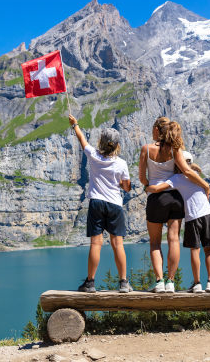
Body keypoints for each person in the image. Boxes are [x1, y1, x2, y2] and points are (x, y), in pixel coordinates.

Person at [149, 127, 210, 293]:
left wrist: (148, 187)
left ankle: (197, 283)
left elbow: (158, 188)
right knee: (208, 248)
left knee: (195, 250)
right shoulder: (198, 177)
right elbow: (192, 171)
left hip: (191, 217)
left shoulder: (176, 178)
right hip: (206, 215)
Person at [68, 114, 133, 293]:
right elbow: (127, 187)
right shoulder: (121, 164)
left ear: (101, 143)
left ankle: (90, 283)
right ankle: (123, 283)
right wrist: (120, 183)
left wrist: (75, 125)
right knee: (117, 243)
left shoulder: (93, 156)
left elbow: (82, 140)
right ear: (117, 145)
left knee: (96, 243)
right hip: (114, 205)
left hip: (96, 203)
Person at [138, 117, 183, 293]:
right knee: (174, 240)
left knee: (155, 243)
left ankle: (159, 282)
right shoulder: (174, 149)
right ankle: (171, 282)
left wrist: (149, 185)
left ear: (157, 130)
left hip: (156, 198)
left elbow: (142, 177)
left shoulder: (146, 149)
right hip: (175, 197)